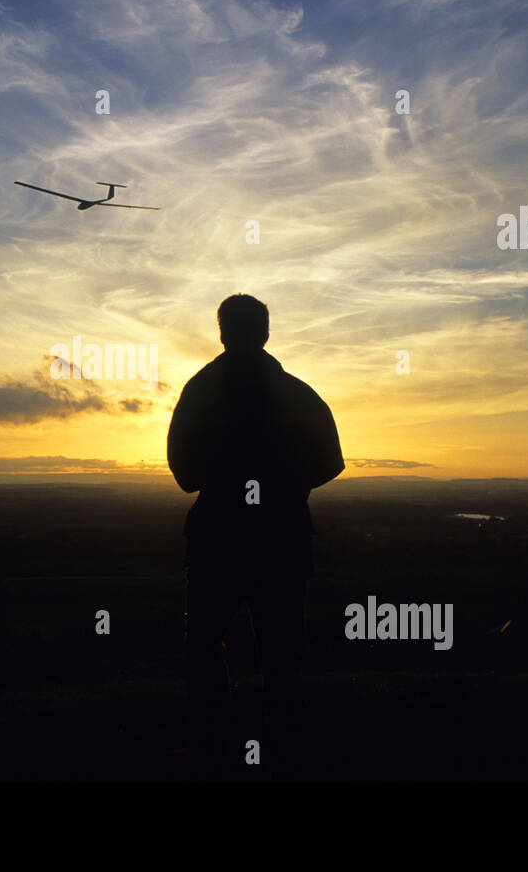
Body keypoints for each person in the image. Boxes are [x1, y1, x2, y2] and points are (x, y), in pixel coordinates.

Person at [167, 294, 344, 777]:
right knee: (281, 652)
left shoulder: (200, 391)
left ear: (222, 332)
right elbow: (331, 462)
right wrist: (284, 485)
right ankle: (283, 749)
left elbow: (184, 474)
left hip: (217, 540)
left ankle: (213, 746)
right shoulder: (297, 393)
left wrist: (228, 476)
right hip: (281, 540)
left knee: (205, 646)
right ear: (266, 332)